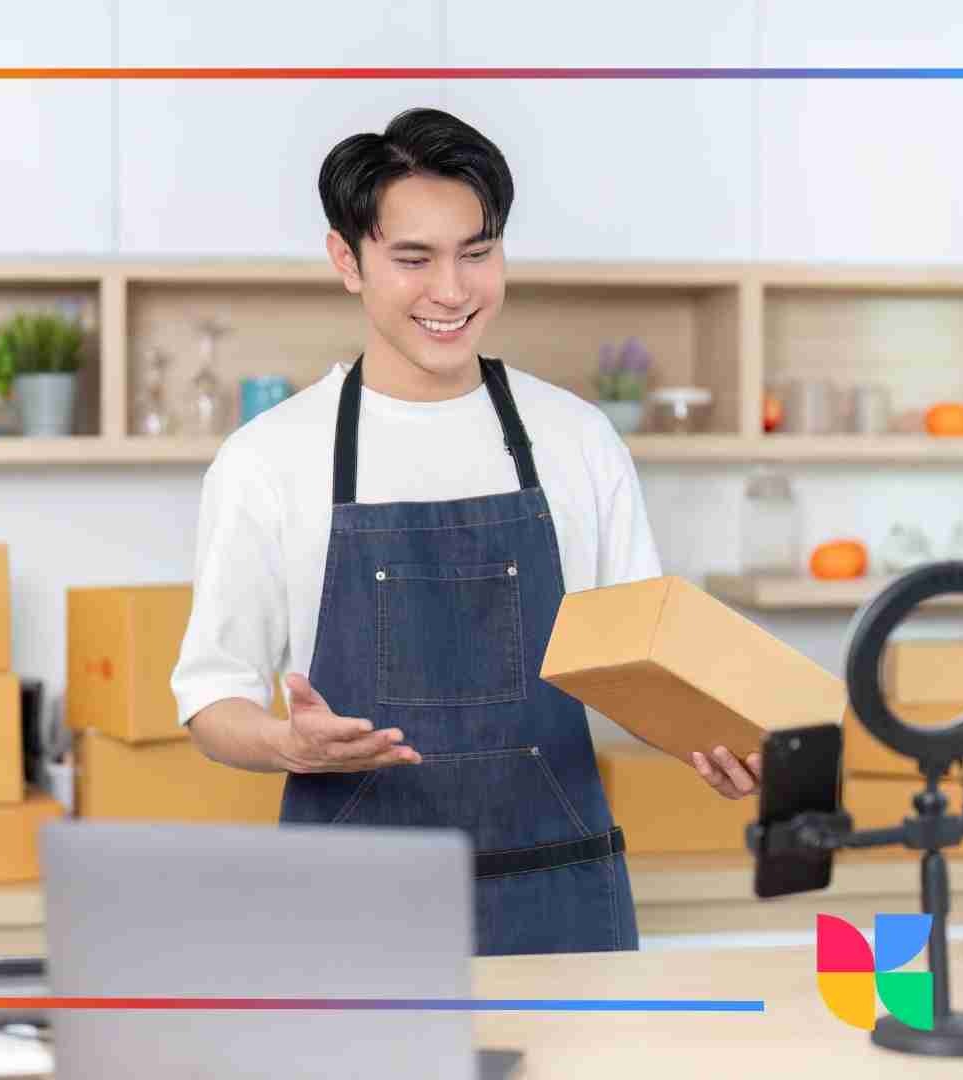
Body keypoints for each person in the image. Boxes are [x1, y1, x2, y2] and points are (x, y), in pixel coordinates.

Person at [171, 107, 762, 957]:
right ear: (348, 260)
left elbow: (641, 671)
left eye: (477, 253)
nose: (452, 291)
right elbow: (211, 697)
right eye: (413, 259)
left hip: (558, 896)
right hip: (350, 918)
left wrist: (715, 742)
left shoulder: (577, 440)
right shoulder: (269, 460)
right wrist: (286, 744)